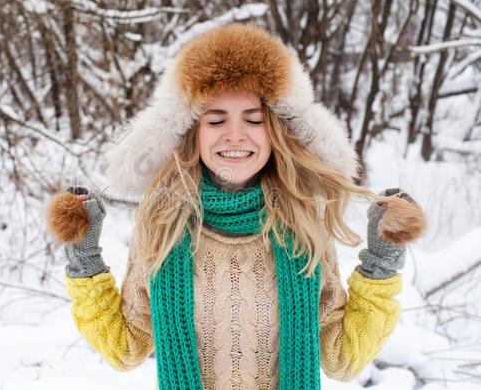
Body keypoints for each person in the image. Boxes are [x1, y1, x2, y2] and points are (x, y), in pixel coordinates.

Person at [46, 24, 426, 390]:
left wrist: (383, 258)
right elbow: (124, 348)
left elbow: (342, 358)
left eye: (253, 119)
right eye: (216, 119)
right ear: (193, 132)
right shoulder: (164, 224)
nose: (234, 134)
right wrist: (84, 257)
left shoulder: (302, 225)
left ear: (275, 130)